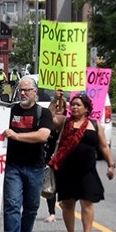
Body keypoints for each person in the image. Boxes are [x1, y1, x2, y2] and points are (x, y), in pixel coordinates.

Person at [49, 94, 115, 232]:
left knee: (87, 202)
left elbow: (104, 146)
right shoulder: (65, 122)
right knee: (68, 204)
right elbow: (52, 119)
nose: (74, 107)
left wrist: (111, 164)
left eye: (78, 105)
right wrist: (56, 100)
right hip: (67, 170)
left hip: (87, 171)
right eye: (73, 105)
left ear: (86, 108)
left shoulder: (95, 124)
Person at [1, 75, 54, 232]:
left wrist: (16, 136)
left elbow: (42, 136)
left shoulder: (43, 113)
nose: (23, 93)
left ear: (35, 92)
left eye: (27, 90)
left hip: (35, 167)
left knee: (31, 207)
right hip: (13, 166)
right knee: (12, 204)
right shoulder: (9, 111)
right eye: (21, 90)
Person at [43, 89, 68, 223]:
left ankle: (63, 202)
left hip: (63, 159)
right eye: (56, 108)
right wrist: (55, 99)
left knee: (62, 184)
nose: (58, 110)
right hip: (49, 158)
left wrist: (60, 100)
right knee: (50, 185)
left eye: (61, 108)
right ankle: (52, 212)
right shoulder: (49, 124)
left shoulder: (67, 125)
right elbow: (50, 114)